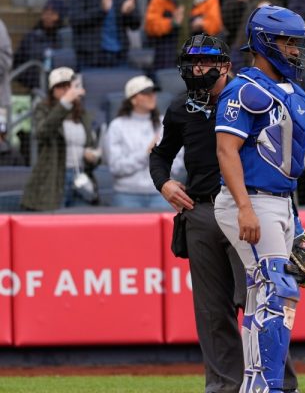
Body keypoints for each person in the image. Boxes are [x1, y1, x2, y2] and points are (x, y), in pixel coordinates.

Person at [213, 5, 305, 393]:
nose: (294, 50)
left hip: (282, 202)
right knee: (276, 290)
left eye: (296, 42)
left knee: (266, 295)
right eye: (287, 42)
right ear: (265, 43)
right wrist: (244, 208)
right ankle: (268, 387)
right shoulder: (244, 88)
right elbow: (226, 151)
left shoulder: (295, 92)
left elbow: (286, 171)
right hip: (251, 199)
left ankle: (256, 385)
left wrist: (297, 223)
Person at [149, 35, 250, 393]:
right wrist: (164, 184)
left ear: (225, 65)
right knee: (211, 311)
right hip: (202, 210)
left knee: (257, 305)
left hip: (244, 211)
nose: (197, 69)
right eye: (192, 63)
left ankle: (275, 384)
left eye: (205, 62)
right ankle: (224, 386)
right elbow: (160, 155)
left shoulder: (248, 98)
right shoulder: (180, 107)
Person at [21, 67, 101, 210]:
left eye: (68, 86)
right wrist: (64, 104)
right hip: (54, 178)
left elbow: (92, 146)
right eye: (60, 87)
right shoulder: (43, 109)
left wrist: (94, 157)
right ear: (52, 91)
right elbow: (42, 133)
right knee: (56, 226)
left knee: (81, 226)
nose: (66, 90)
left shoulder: (83, 114)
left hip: (80, 178)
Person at [145, 0, 223, 70]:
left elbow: (216, 25)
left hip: (198, 56)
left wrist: (202, 24)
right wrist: (171, 23)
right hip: (168, 56)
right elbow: (149, 26)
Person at [106, 75, 169, 208]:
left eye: (153, 92)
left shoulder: (165, 123)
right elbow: (116, 167)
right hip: (126, 195)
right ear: (133, 99)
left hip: (161, 193)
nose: (152, 96)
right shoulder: (117, 126)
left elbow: (178, 161)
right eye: (146, 93)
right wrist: (147, 153)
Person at [68, 0, 139, 68]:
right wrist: (101, 10)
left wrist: (128, 13)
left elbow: (136, 25)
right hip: (89, 57)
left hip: (120, 55)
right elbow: (74, 20)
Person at [13, 0, 69, 90]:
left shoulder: (66, 37)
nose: (47, 17)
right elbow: (18, 62)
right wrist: (32, 82)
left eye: (52, 14)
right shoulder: (32, 36)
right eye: (45, 12)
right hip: (35, 86)